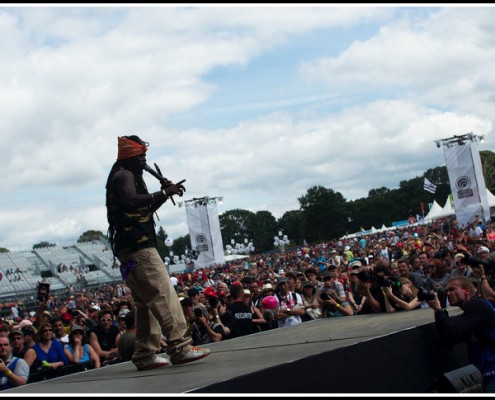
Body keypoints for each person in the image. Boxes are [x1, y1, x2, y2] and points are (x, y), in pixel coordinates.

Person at [105, 135, 210, 371]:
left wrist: (165, 193)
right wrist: (163, 193)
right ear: (130, 155)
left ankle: (145, 353)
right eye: (141, 155)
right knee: (164, 295)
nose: (144, 160)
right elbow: (132, 201)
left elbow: (144, 207)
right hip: (138, 248)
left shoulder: (127, 175)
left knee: (145, 303)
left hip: (130, 249)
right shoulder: (123, 175)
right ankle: (181, 347)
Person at [427, 276, 495, 393]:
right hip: (486, 373)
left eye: (452, 289)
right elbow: (448, 340)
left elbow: (454, 333)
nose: (448, 293)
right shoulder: (473, 309)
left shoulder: (476, 305)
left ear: (466, 291)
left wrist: (439, 311)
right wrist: (440, 311)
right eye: (447, 290)